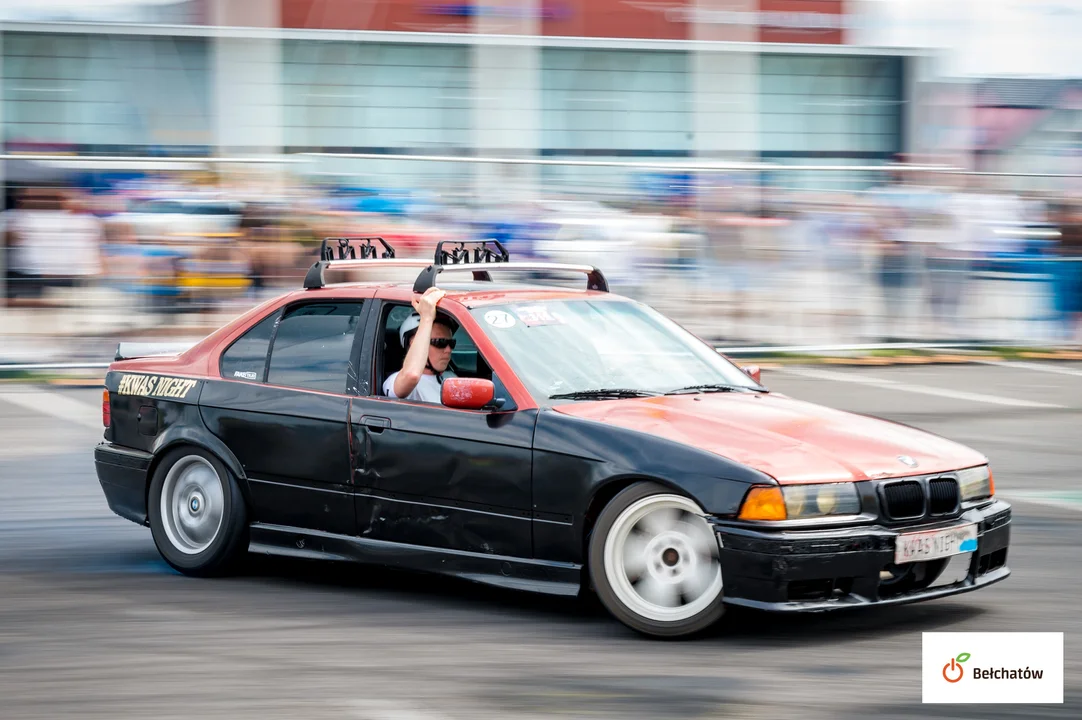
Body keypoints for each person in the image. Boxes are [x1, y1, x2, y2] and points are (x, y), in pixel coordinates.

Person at [383, 287, 457, 403]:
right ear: (413, 343)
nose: (448, 350)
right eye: (439, 343)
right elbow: (411, 375)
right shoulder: (395, 381)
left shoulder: (450, 377)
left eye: (451, 343)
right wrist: (426, 318)